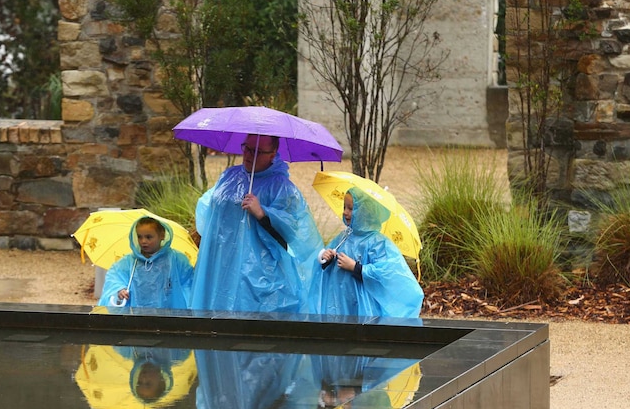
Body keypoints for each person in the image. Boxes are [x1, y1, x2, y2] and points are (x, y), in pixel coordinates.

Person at [191, 133, 323, 313]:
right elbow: (208, 210)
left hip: (258, 271)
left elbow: (293, 235)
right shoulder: (230, 176)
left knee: (251, 318)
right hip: (221, 262)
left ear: (273, 153)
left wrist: (263, 214)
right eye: (247, 148)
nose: (249, 155)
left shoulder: (282, 188)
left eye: (257, 151)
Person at [310, 187, 424, 318]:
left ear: (364, 212)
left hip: (364, 304)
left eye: (351, 208)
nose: (345, 212)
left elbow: (387, 272)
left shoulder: (378, 242)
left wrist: (356, 268)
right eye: (344, 207)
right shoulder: (344, 236)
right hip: (339, 301)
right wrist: (326, 259)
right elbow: (324, 266)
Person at [98, 216, 193, 309]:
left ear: (162, 235)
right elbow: (114, 276)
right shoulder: (130, 261)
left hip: (169, 313)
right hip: (135, 315)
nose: (143, 241)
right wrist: (120, 289)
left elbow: (189, 283)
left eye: (149, 237)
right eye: (139, 237)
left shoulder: (176, 259)